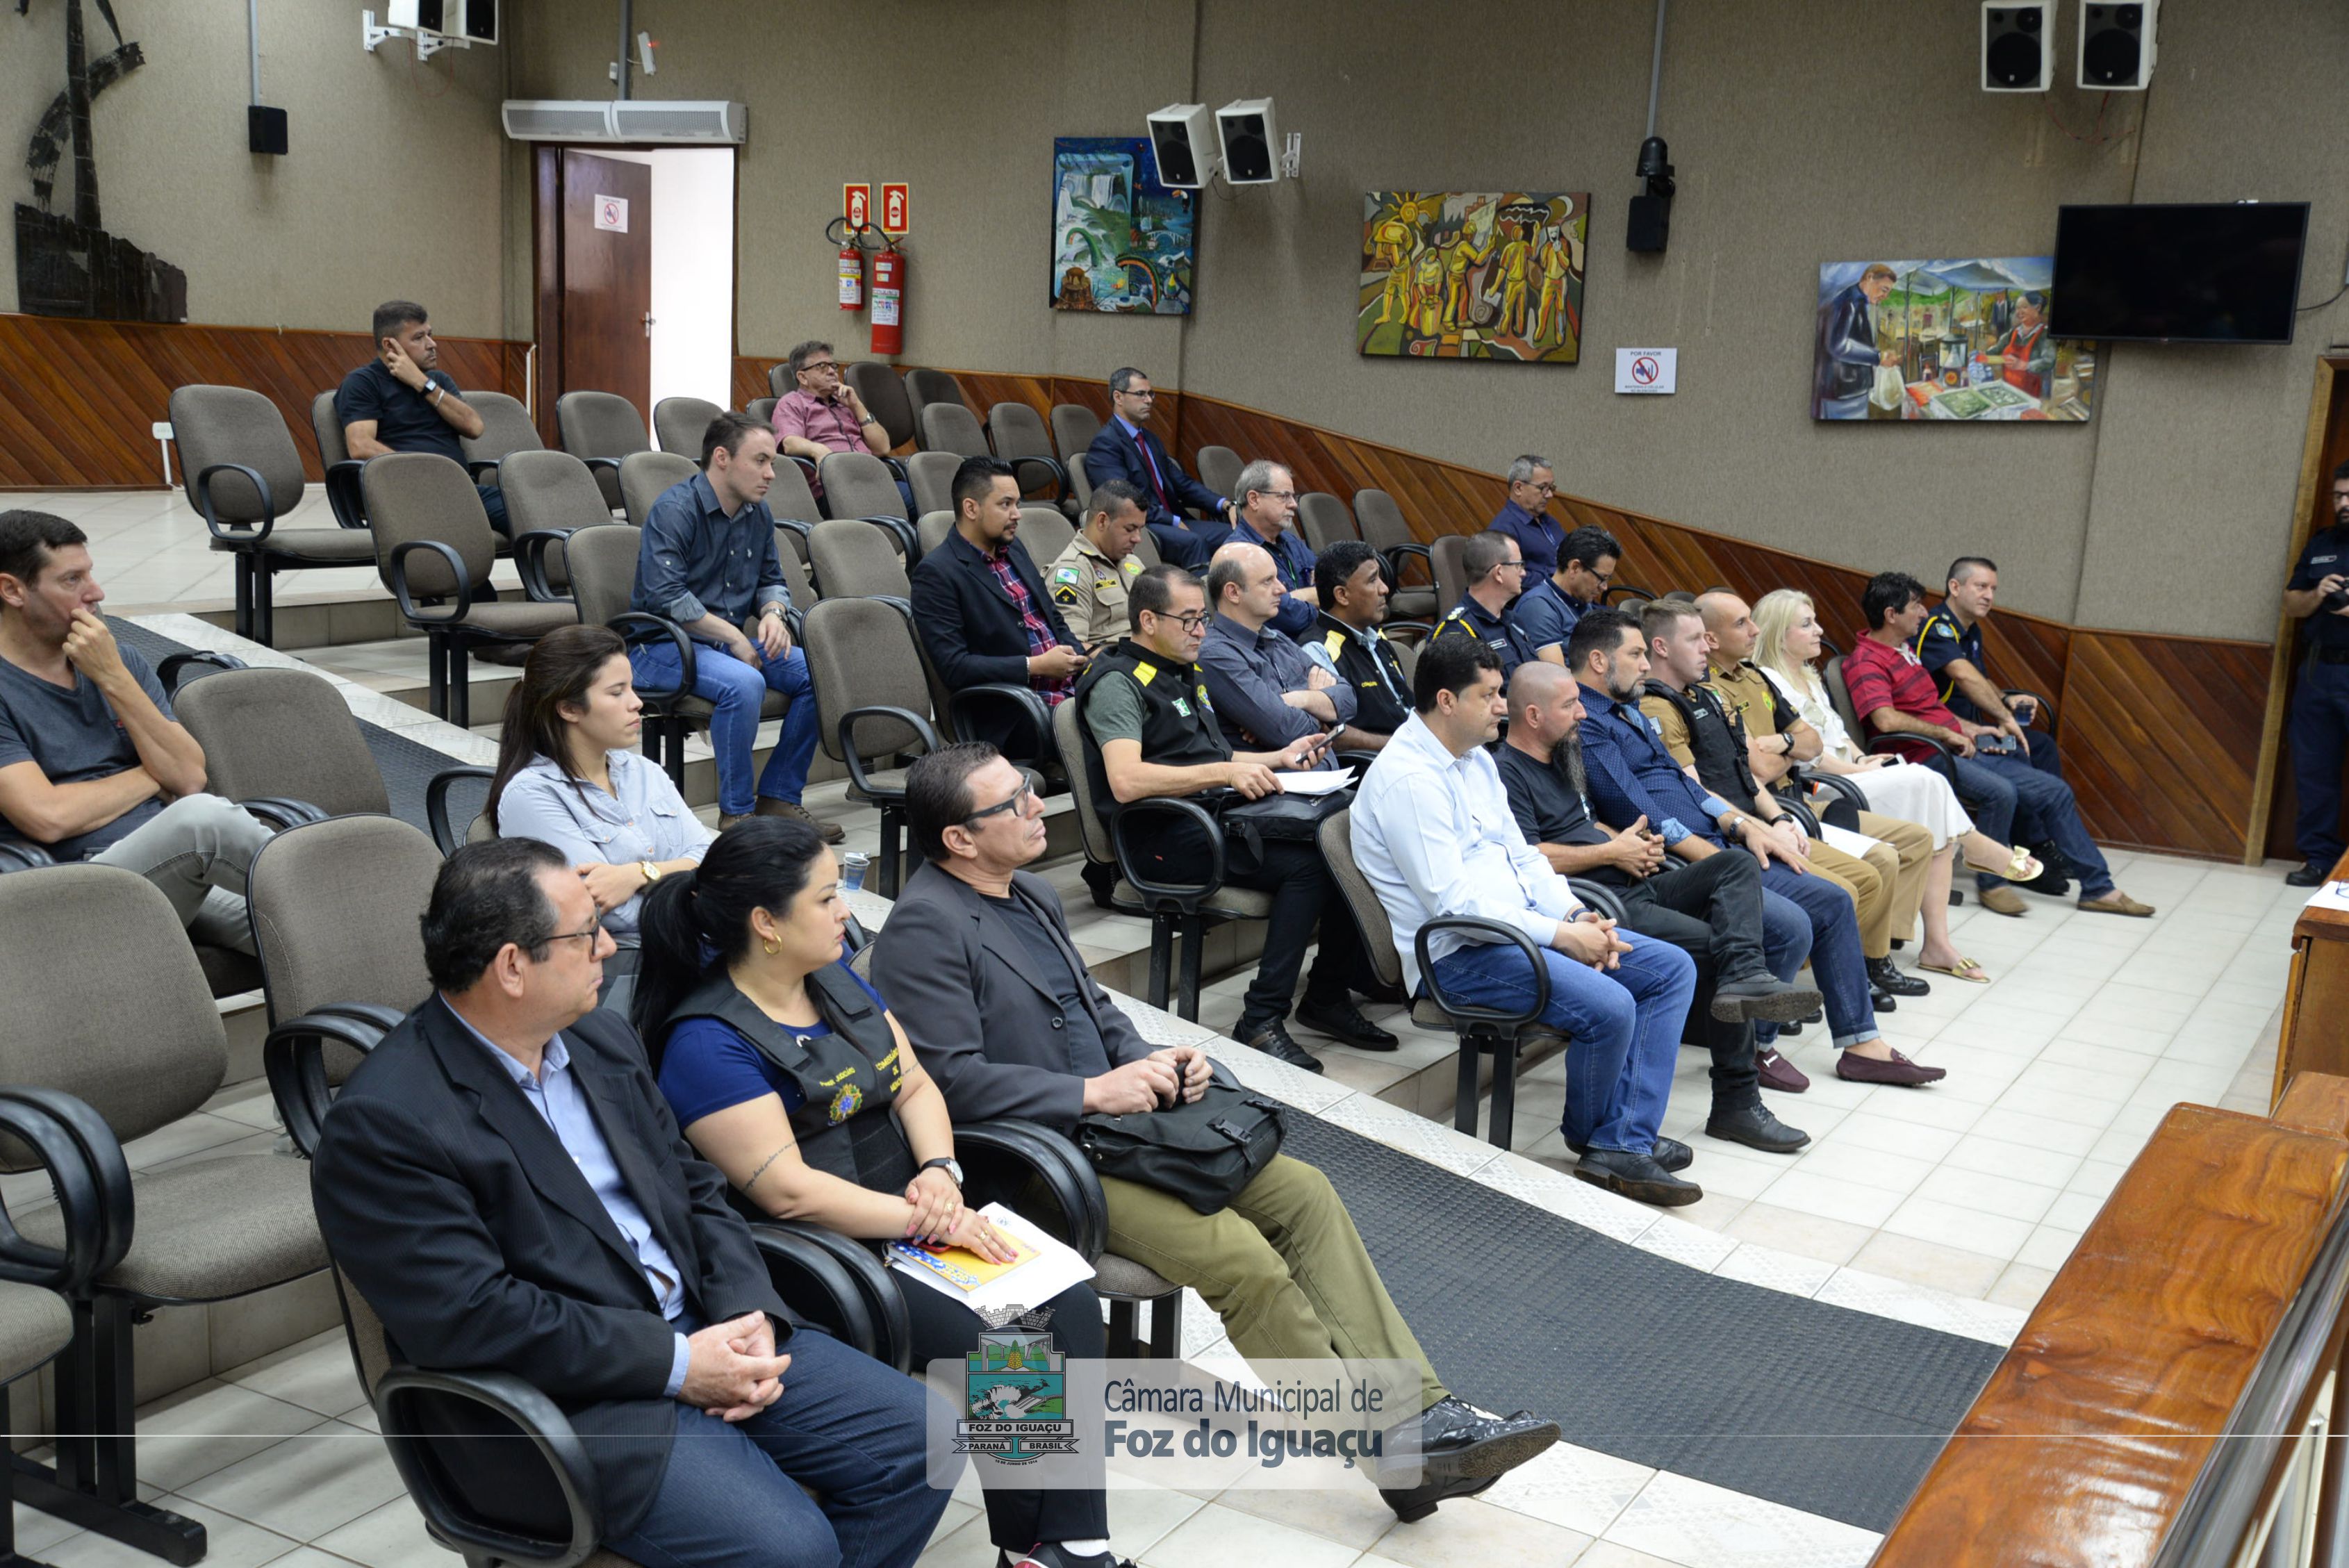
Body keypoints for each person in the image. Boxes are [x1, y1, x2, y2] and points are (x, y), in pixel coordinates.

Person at [870, 742, 1563, 1524]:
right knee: (1240, 1258)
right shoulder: (924, 927)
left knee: (1307, 1191)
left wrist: (1155, 1061)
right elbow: (946, 1081)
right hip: (1039, 1161)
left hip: (1121, 1130)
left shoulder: (1029, 892)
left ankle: (1429, 1417)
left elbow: (1098, 1012)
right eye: (1011, 803)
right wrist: (1091, 1088)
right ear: (959, 838)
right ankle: (1390, 1449)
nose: (1037, 805)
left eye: (1028, 788)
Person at [311, 839, 948, 1568]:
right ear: (512, 966)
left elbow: (696, 1189)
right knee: (793, 1546)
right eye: (586, 934)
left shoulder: (599, 1038)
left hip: (712, 1326)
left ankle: (1055, 1541)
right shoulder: (387, 1122)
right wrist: (677, 1362)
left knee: (940, 1432)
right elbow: (475, 1318)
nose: (611, 946)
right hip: (574, 1396)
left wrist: (749, 1312)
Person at [630, 818, 1125, 1568]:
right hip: (821, 1255)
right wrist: (928, 1223)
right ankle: (1037, 1545)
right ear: (766, 923)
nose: (846, 910)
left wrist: (940, 1174)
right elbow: (791, 1194)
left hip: (915, 1216)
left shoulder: (833, 978)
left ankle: (1064, 1542)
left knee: (1071, 1300)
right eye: (828, 896)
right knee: (1010, 1335)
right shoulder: (706, 1040)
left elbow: (916, 1082)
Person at [1353, 638, 1704, 1201]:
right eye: (1489, 695)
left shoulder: (1476, 763)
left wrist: (1576, 913)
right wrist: (1564, 937)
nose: (1501, 706)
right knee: (1610, 1003)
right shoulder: (1408, 779)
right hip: (1459, 956)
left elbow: (1523, 858)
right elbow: (1453, 906)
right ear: (1446, 700)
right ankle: (1609, 1142)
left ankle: (1622, 1136)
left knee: (1669, 968)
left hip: (1519, 931)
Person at [1567, 607, 1939, 1087]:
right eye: (1635, 654)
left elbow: (1686, 784)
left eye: (1643, 653)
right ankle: (1755, 1048)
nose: (1644, 665)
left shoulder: (1629, 709)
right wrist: (1722, 855)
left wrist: (1742, 825)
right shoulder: (1588, 721)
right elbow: (1638, 809)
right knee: (1793, 923)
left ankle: (1859, 1043)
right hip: (1677, 860)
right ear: (1599, 661)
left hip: (1718, 838)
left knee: (1831, 899)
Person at [1071, 564, 1394, 1070]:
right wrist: (1224, 770)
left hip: (1207, 817)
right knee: (1310, 865)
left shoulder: (1183, 668)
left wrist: (1279, 757)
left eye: (1203, 618)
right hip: (1161, 837)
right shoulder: (1117, 682)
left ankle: (1326, 995)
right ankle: (1260, 1020)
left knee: (1342, 841)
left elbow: (1211, 755)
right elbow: (1126, 780)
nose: (1201, 630)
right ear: (1150, 620)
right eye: (1189, 620)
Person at [1496, 660, 1818, 1137]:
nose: (1583, 714)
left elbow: (1582, 826)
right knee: (1719, 951)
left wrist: (1629, 843)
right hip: (1596, 902)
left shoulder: (1563, 754)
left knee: (1734, 864)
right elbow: (1525, 858)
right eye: (1570, 705)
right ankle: (1736, 1100)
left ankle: (1748, 974)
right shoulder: (1506, 772)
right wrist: (1611, 851)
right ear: (1533, 715)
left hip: (1631, 879)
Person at [0, 511, 270, 952]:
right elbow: (47, 817)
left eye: (90, 573)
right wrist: (151, 776)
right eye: (72, 580)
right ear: (12, 590)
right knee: (202, 819)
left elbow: (186, 777)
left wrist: (114, 678)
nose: (95, 592)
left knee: (319, 932)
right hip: (73, 886)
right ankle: (315, 883)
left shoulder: (119, 661)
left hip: (174, 867)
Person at [1751, 588, 2044, 985]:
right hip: (1819, 789)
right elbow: (1805, 755)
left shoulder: (1807, 674)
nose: (1819, 629)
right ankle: (1978, 855)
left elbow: (1838, 737)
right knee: (1928, 783)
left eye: (1815, 620)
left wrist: (1861, 759)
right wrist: (1854, 771)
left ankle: (1938, 943)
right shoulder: (1768, 682)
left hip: (1848, 774)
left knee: (1935, 820)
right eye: (1806, 624)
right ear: (1776, 634)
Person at [1847, 572, 2152, 919]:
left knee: (2055, 791)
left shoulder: (1904, 652)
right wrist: (1947, 734)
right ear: (1891, 615)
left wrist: (1974, 729)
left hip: (1953, 746)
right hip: (1923, 757)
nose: (1922, 612)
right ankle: (1993, 883)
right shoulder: (1866, 661)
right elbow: (1886, 721)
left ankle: (2099, 889)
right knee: (2001, 792)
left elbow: (1931, 710)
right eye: (1916, 606)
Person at [1691, 593, 1936, 1005]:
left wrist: (1783, 743)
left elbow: (1812, 741)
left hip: (1795, 800)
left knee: (1916, 837)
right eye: (1741, 624)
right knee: (1879, 861)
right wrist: (1791, 748)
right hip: (1775, 806)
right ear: (1711, 640)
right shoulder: (1707, 691)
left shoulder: (1756, 677)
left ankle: (1871, 959)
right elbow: (1756, 770)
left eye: (1753, 621)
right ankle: (1836, 968)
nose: (1754, 631)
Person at [632, 412, 836, 841]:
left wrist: (773, 615)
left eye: (773, 463)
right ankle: (737, 816)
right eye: (760, 461)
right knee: (744, 683)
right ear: (721, 458)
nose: (771, 474)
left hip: (726, 642)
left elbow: (772, 581)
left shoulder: (756, 513)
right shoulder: (675, 509)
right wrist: (736, 638)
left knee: (819, 671)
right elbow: (666, 597)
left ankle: (779, 797)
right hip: (661, 647)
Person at [489, 625, 714, 1009]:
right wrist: (694, 880)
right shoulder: (532, 795)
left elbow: (711, 855)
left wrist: (639, 874)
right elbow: (608, 912)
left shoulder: (642, 771)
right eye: (617, 692)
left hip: (692, 950)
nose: (637, 703)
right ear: (569, 708)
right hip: (623, 975)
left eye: (632, 688)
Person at [909, 456, 1086, 755]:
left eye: (1017, 504)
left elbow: (1054, 620)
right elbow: (954, 667)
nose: (1017, 514)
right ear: (971, 508)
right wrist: (1034, 666)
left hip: (1067, 690)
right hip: (1015, 712)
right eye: (1005, 505)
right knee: (1120, 725)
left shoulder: (1014, 549)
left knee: (1152, 699)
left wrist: (1079, 658)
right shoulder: (937, 573)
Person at [1913, 556, 2066, 898]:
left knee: (2040, 746)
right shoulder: (1937, 626)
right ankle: (2023, 849)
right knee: (2019, 751)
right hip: (1945, 735)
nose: (1989, 596)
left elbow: (1980, 678)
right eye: (1981, 586)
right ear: (1955, 587)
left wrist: (2006, 701)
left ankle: (2039, 840)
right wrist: (2006, 718)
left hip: (1972, 728)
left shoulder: (1971, 629)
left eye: (1993, 589)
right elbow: (1963, 676)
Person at [336, 300, 504, 535]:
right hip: (412, 493)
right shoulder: (363, 383)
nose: (432, 344)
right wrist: (424, 472)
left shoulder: (437, 381)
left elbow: (474, 427)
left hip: (459, 488)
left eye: (430, 335)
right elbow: (360, 446)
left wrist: (422, 384)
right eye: (419, 338)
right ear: (390, 345)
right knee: (528, 511)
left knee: (537, 505)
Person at [1198, 542, 1378, 757]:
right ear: (1233, 592)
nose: (1282, 589)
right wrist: (1321, 709)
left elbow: (1349, 699)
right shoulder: (1215, 654)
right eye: (1267, 582)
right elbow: (1286, 730)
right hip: (1282, 785)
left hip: (1325, 778)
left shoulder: (1279, 639)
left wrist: (1299, 699)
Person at [1083, 368, 1235, 569]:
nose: (1149, 400)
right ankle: (1199, 598)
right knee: (1194, 542)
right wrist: (1171, 521)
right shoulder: (1106, 444)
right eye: (1141, 394)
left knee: (1235, 534)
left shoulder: (1150, 440)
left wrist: (1225, 504)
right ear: (1118, 397)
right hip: (1143, 526)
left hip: (1170, 519)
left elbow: (1182, 484)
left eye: (1150, 394)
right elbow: (1122, 500)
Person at [2283, 461, 2349, 885]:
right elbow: (2291, 604)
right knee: (2315, 769)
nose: (2344, 504)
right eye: (2339, 496)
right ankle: (2320, 858)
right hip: (2319, 670)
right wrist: (2318, 592)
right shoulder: (2321, 545)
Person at [768, 340, 912, 511]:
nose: (832, 371)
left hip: (873, 480)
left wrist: (856, 405)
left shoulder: (846, 403)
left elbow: (883, 448)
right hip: (834, 488)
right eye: (822, 366)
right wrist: (818, 450)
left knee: (925, 501)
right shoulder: (792, 403)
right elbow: (789, 442)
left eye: (833, 366)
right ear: (803, 377)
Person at [1301, 540, 1412, 747]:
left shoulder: (1376, 636)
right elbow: (1331, 733)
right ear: (1342, 595)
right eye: (1372, 581)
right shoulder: (1317, 649)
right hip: (1378, 765)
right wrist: (1398, 746)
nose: (1384, 588)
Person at [1046, 479, 1150, 654]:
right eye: (1130, 529)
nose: (1138, 538)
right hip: (1118, 668)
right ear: (1102, 521)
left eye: (1140, 529)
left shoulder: (1132, 562)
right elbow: (1073, 649)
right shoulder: (1071, 572)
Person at [1226, 459, 1317, 638]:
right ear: (1254, 500)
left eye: (1293, 496)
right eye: (1284, 496)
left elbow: (1332, 585)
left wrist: (1297, 597)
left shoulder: (1292, 541)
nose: (1294, 504)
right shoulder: (1240, 553)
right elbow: (1292, 619)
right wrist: (1318, 598)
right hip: (1283, 654)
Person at [1429, 532, 1539, 679]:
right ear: (1499, 573)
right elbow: (1462, 697)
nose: (1524, 573)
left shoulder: (1513, 621)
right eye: (1518, 566)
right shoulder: (1458, 630)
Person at [1515, 525, 1621, 665]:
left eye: (1608, 579)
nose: (1604, 587)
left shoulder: (1581, 601)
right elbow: (1557, 678)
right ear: (1575, 568)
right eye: (1601, 578)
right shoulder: (1537, 607)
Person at [1813, 264, 1900, 420]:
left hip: (1849, 392)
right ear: (1869, 278)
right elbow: (1838, 347)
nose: (1885, 296)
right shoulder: (1848, 302)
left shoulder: (1857, 302)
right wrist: (1878, 357)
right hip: (1844, 394)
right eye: (1884, 289)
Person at [1485, 456, 1565, 581]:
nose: (1550, 495)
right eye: (1543, 488)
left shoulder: (1549, 521)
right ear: (1518, 488)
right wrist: (1556, 579)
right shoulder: (1503, 530)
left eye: (1551, 488)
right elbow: (1508, 579)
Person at [1972, 293, 2055, 399]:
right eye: (2017, 308)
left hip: (2033, 395)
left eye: (2024, 307)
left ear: (2038, 307)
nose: (2019, 312)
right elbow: (1998, 348)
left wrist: (2023, 365)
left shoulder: (2045, 335)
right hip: (2010, 391)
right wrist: (1984, 354)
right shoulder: (2014, 332)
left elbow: (2049, 361)